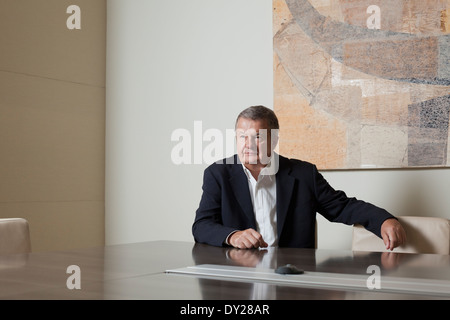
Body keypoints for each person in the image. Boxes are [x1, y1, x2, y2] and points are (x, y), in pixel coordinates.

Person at [192, 105, 406, 250]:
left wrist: (383, 220)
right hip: (239, 278)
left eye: (257, 137)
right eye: (242, 137)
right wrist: (233, 236)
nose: (248, 144)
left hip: (292, 276)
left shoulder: (304, 175)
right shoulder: (217, 174)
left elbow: (342, 207)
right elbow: (201, 225)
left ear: (274, 140)